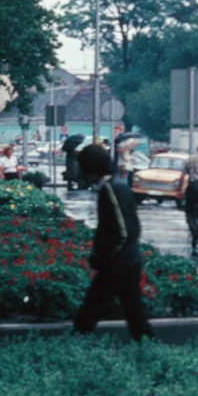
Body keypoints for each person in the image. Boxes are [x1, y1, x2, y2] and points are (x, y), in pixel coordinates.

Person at [72, 142, 153, 342]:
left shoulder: (110, 190)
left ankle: (73, 344)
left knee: (91, 309)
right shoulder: (118, 186)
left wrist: (103, 255)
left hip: (117, 264)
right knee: (135, 314)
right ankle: (151, 347)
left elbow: (122, 231)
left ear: (90, 169)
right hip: (127, 261)